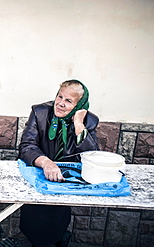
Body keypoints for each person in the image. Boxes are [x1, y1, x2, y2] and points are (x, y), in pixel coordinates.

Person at [18, 79, 99, 247]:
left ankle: (59, 238)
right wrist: (46, 162)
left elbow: (92, 156)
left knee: (57, 220)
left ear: (79, 105)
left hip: (65, 181)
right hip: (39, 171)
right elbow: (27, 146)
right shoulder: (40, 112)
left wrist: (78, 124)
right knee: (33, 220)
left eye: (68, 101)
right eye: (59, 97)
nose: (60, 103)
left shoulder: (89, 121)